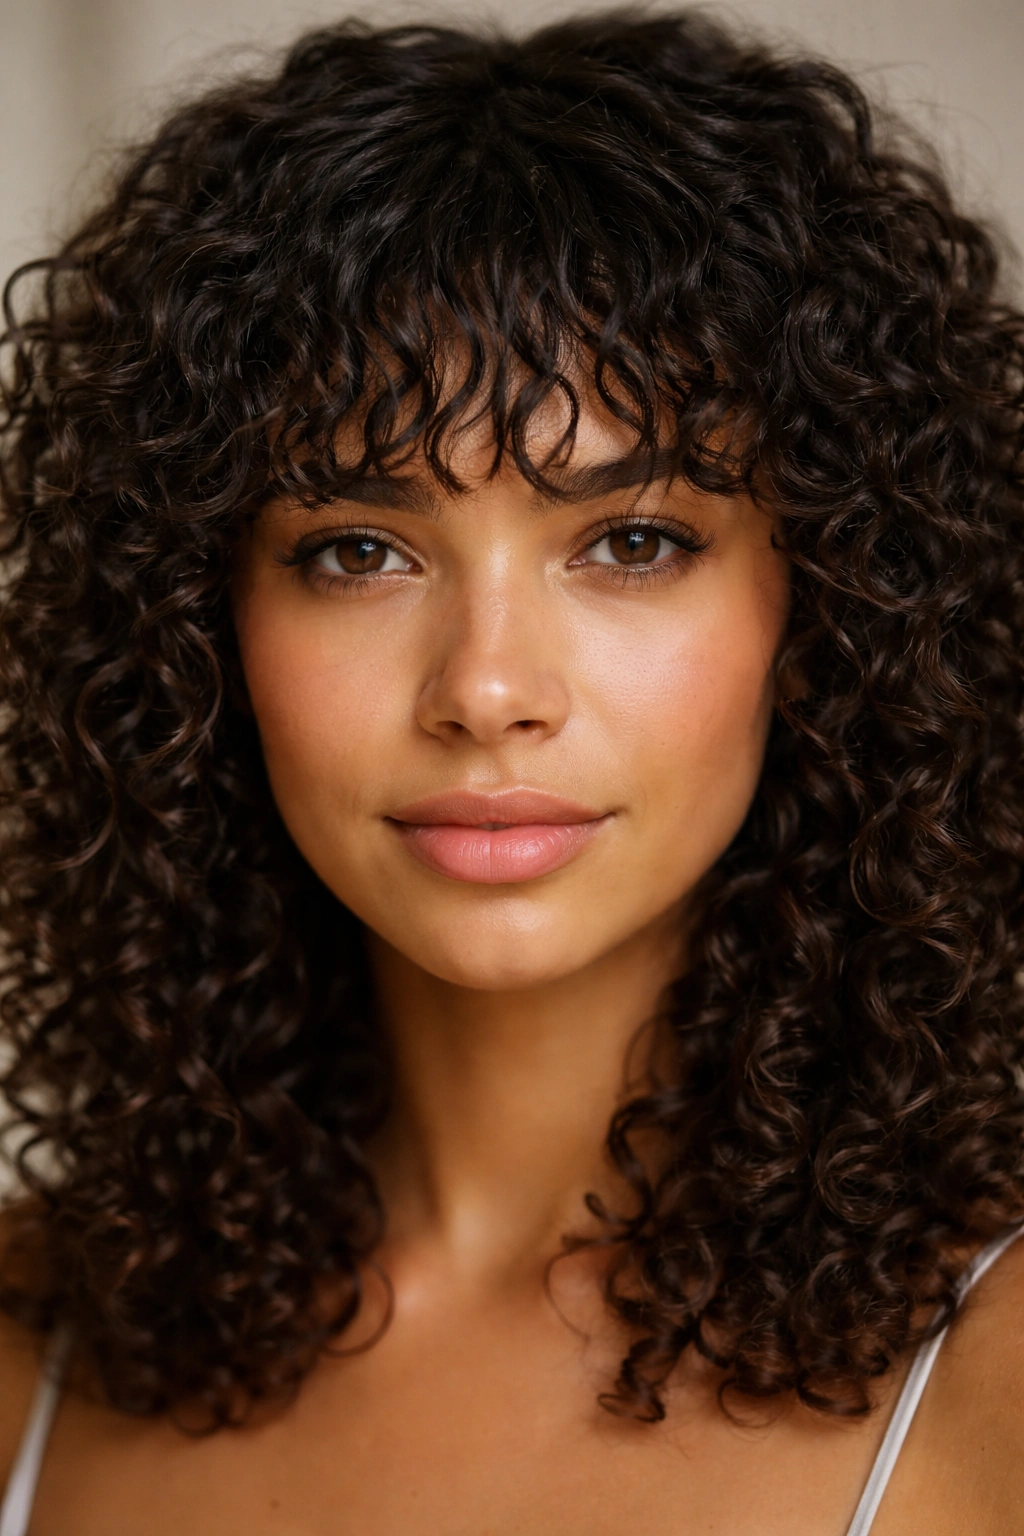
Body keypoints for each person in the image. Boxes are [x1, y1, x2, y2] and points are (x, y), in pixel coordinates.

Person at [0, 10, 1022, 1533]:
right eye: (359, 550)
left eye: (631, 542)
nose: (486, 690)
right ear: (192, 625)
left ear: (835, 607)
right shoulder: (32, 1345)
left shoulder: (1000, 1373)